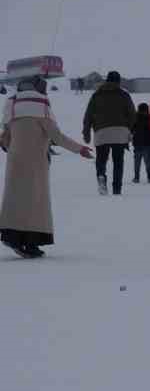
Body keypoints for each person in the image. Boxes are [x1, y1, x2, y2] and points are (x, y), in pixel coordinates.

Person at [1, 77, 95, 257]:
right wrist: (79, 149)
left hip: (15, 161)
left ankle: (11, 235)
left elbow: (5, 138)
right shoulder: (41, 109)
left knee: (15, 199)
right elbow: (57, 136)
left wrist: (10, 147)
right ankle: (29, 242)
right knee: (35, 202)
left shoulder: (11, 108)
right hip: (35, 162)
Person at [83, 71, 136, 195]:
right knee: (118, 162)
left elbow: (88, 115)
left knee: (101, 159)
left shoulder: (96, 95)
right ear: (118, 81)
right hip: (120, 132)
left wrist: (86, 133)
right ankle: (117, 188)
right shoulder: (124, 95)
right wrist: (129, 129)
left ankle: (101, 176)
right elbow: (132, 115)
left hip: (101, 133)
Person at [131, 103, 150, 184]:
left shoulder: (135, 118)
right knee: (148, 162)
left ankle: (136, 177)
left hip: (137, 143)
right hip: (147, 144)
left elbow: (131, 130)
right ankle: (149, 177)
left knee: (137, 162)